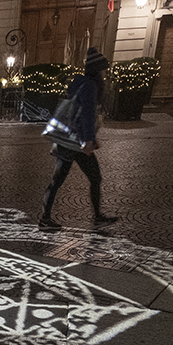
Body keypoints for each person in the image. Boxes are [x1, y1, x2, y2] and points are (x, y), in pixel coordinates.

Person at [39, 48, 115, 230]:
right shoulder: (90, 86)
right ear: (98, 71)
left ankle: (46, 218)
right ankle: (46, 220)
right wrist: (89, 139)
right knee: (92, 178)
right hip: (76, 142)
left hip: (68, 139)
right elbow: (87, 115)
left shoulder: (78, 83)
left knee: (60, 180)